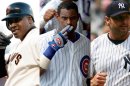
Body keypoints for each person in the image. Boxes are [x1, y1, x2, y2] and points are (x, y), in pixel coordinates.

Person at [40, 1, 90, 86]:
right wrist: (52, 48)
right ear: (57, 17)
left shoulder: (86, 42)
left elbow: (88, 77)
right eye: (64, 18)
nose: (69, 22)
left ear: (78, 17)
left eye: (73, 18)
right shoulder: (44, 39)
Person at [0, 2, 46, 86]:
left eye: (17, 20)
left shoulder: (36, 37)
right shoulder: (16, 45)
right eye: (9, 22)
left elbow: (45, 68)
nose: (12, 25)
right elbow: (3, 74)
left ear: (29, 19)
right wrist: (1, 50)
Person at [90, 1, 130, 86]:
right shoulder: (95, 45)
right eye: (119, 18)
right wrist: (91, 82)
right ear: (107, 20)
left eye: (126, 17)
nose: (124, 22)